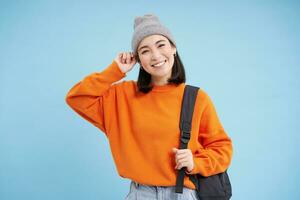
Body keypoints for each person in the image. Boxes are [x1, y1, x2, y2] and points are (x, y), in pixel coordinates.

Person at [65, 14, 233, 200]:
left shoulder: (196, 98)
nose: (155, 55)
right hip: (141, 193)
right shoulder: (121, 96)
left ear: (173, 48)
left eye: (161, 45)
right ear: (139, 60)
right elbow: (77, 98)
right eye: (145, 51)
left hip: (183, 193)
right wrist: (115, 71)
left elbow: (222, 149)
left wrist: (196, 162)